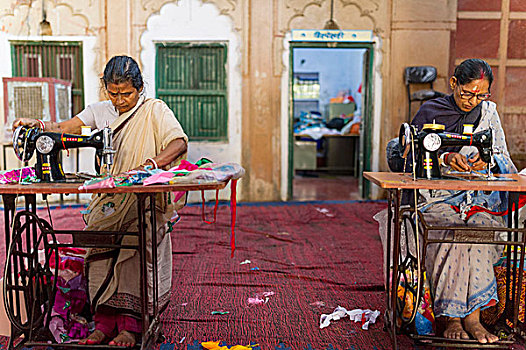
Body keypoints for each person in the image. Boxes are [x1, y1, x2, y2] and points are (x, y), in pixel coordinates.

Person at [12, 55, 188, 347]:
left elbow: (178, 142)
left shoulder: (154, 110)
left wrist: (151, 164)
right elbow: (64, 128)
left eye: (127, 93)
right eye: (113, 93)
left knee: (133, 247)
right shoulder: (99, 110)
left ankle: (130, 328)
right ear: (106, 88)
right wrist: (38, 125)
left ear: (139, 88)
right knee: (98, 248)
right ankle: (104, 324)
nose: (120, 100)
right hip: (108, 199)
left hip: (142, 198)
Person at [380, 58, 516, 343]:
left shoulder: (488, 113)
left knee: (478, 227)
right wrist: (445, 158)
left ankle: (473, 319)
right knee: (455, 231)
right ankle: (454, 318)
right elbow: (410, 159)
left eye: (481, 94)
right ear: (454, 84)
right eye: (467, 93)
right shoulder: (431, 111)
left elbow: (503, 159)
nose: (473, 101)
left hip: (478, 197)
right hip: (435, 198)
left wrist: (485, 160)